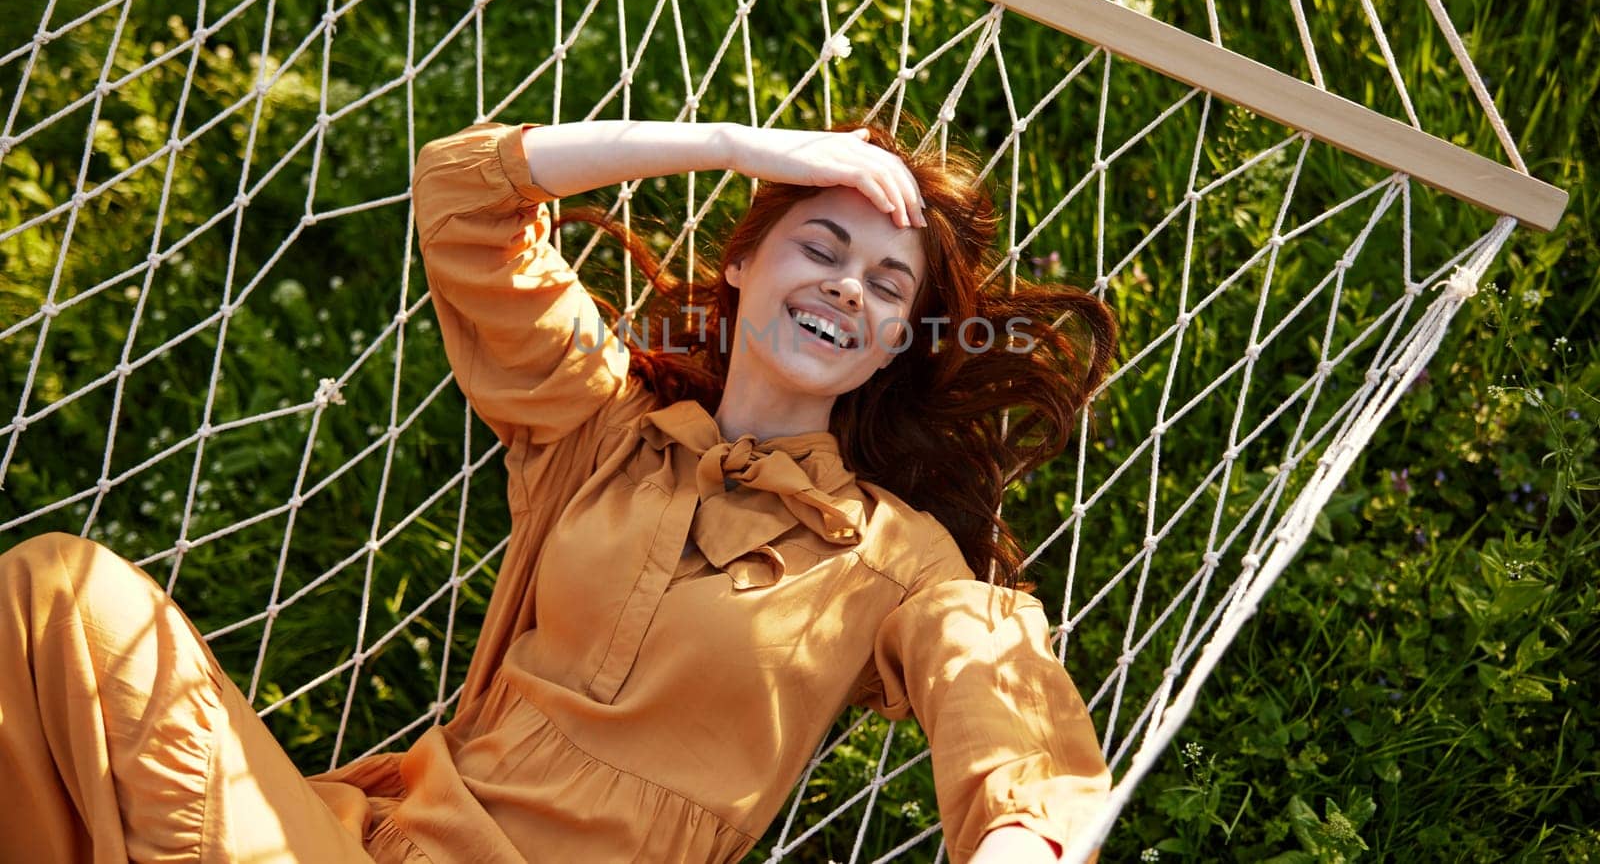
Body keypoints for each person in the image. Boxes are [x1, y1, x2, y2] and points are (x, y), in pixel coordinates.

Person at [0, 114, 1118, 863]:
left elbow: (1004, 705)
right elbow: (461, 196)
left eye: (885, 284)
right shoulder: (603, 425)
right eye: (818, 244)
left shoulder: (890, 556)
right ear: (742, 261)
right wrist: (741, 140)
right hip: (352, 843)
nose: (846, 286)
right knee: (57, 592)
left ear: (891, 348)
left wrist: (1020, 842)